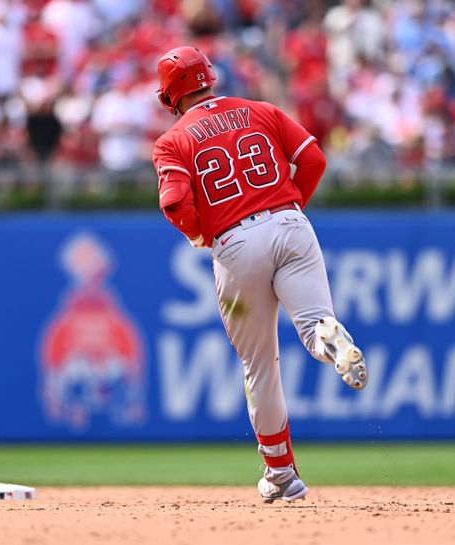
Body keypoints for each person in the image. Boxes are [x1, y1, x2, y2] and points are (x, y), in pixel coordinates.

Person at [151, 47, 368, 503]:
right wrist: (289, 209)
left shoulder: (172, 140)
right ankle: (330, 337)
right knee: (312, 327)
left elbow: (174, 202)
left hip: (235, 244)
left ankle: (283, 476)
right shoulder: (261, 110)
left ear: (170, 94)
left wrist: (197, 233)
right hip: (291, 224)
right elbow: (313, 161)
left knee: (260, 365)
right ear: (211, 77)